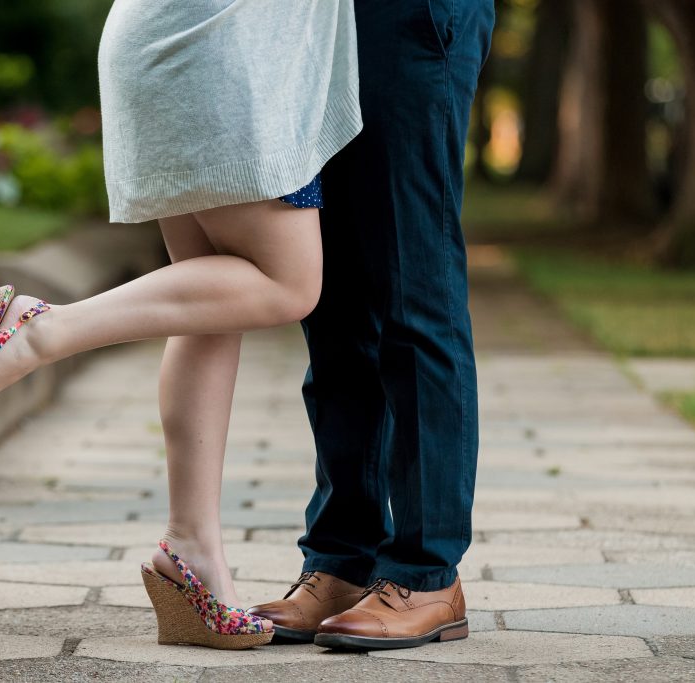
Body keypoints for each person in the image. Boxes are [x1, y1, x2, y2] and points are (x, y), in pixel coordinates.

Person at [0, 0, 361, 651]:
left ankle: (194, 557)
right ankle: (32, 329)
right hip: (228, 59)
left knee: (208, 301)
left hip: (188, 44)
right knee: (287, 282)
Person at [249, 0, 495, 651]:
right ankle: (341, 559)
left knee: (416, 283)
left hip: (409, 14)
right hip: (315, 22)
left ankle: (425, 572)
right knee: (331, 306)